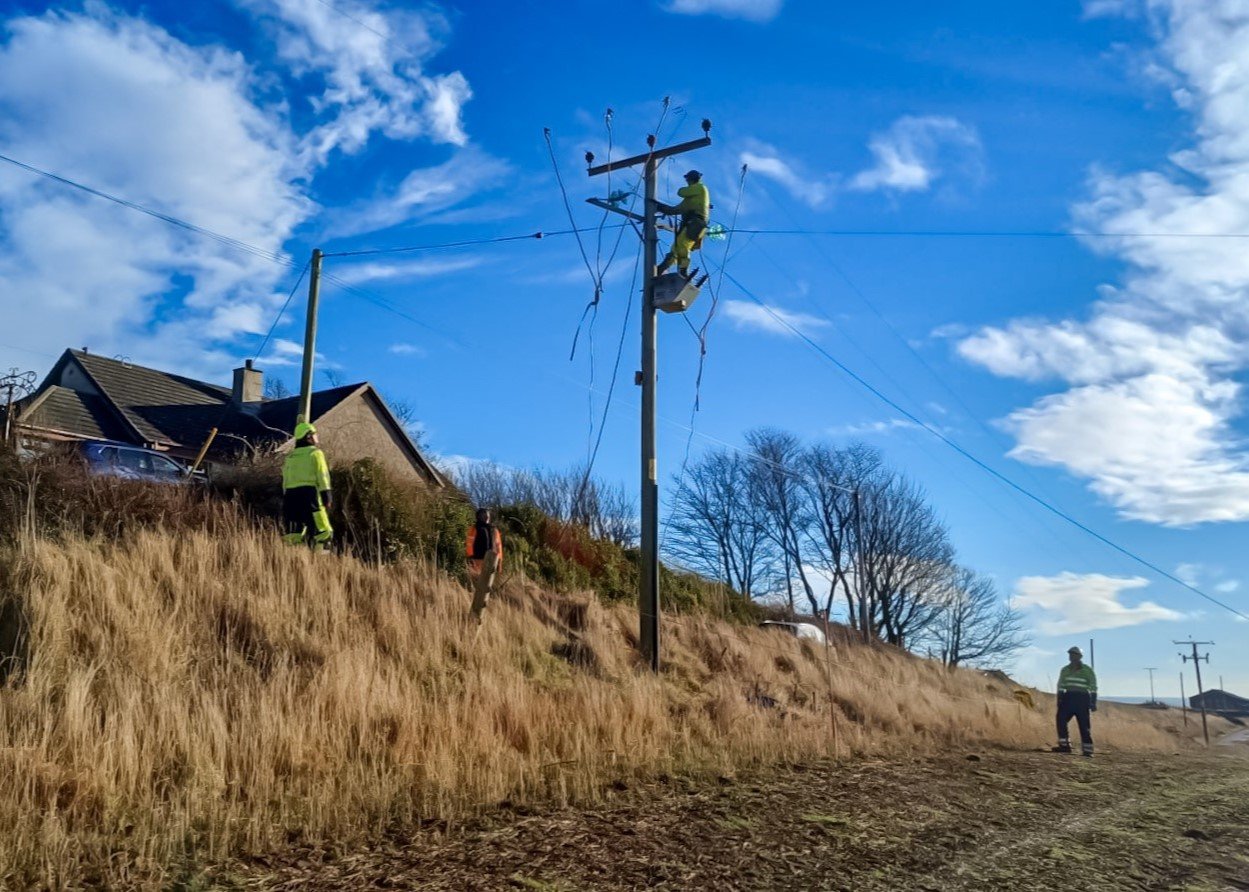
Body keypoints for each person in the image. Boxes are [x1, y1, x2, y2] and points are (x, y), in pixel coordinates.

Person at [281, 421, 333, 551]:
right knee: (323, 532)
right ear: (308, 436)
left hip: (290, 497)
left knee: (293, 535)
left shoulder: (290, 457)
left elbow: (285, 480)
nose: (316, 438)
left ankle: (294, 562)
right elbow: (322, 475)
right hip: (309, 496)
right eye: (314, 435)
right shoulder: (315, 453)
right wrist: (327, 495)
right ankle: (322, 562)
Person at [655, 169, 710, 278]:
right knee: (676, 247)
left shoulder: (700, 188)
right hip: (693, 223)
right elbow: (677, 209)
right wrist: (661, 208)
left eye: (687, 179)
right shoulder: (691, 199)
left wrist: (661, 208)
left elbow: (681, 192)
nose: (687, 182)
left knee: (682, 245)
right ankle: (663, 267)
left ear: (691, 179)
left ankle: (683, 270)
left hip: (696, 222)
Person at [1053, 645, 1097, 756]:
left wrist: (1093, 701)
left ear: (1080, 656)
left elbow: (1093, 686)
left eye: (1074, 654)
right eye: (1070, 654)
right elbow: (1061, 685)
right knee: (1060, 719)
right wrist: (1059, 699)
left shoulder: (1087, 670)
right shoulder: (1065, 670)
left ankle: (1088, 750)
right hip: (1068, 698)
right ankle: (1064, 746)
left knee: (1084, 724)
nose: (1071, 656)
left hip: (1082, 698)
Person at [466, 507, 504, 622]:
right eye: (484, 515)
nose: (486, 517)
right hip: (477, 559)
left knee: (488, 586)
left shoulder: (494, 530)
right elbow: (469, 544)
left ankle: (485, 608)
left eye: (487, 515)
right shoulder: (474, 528)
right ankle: (476, 609)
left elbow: (498, 547)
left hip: (491, 561)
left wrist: (499, 562)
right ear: (479, 516)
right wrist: (470, 558)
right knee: (477, 585)